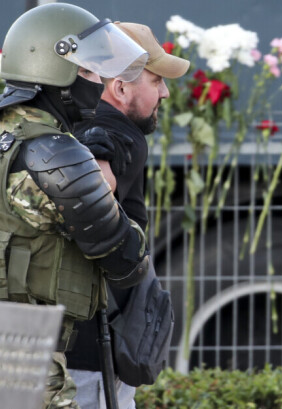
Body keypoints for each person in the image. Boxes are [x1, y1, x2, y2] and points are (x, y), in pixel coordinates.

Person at [0, 2, 152, 409]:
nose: (98, 82)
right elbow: (128, 256)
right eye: (87, 71)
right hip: (23, 366)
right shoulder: (54, 153)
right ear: (56, 73)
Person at [66, 22, 189, 409]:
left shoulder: (60, 126)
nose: (165, 93)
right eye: (156, 82)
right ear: (119, 88)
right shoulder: (119, 132)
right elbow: (109, 149)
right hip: (94, 360)